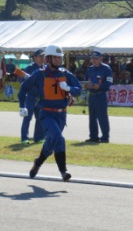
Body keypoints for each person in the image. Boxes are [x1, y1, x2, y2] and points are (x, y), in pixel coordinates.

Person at [18, 44, 82, 181]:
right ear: (48, 59)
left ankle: (38, 162)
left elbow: (79, 89)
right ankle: (64, 171)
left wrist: (69, 88)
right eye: (56, 58)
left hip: (61, 115)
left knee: (50, 144)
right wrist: (22, 106)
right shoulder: (40, 74)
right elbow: (23, 88)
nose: (59, 60)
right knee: (59, 138)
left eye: (60, 58)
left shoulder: (65, 74)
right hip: (46, 114)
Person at [84, 51, 113, 143]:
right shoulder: (90, 69)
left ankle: (105, 137)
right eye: (92, 58)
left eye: (96, 58)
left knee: (102, 117)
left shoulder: (106, 68)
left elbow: (109, 82)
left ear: (101, 58)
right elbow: (86, 80)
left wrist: (99, 86)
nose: (94, 60)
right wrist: (85, 85)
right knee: (92, 117)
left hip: (101, 95)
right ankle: (93, 136)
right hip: (92, 95)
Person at [18, 48, 45, 144]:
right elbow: (22, 82)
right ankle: (24, 138)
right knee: (27, 118)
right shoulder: (29, 68)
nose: (42, 58)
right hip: (30, 97)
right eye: (40, 56)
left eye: (43, 56)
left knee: (40, 118)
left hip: (41, 98)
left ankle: (38, 137)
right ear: (35, 57)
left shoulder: (45, 68)